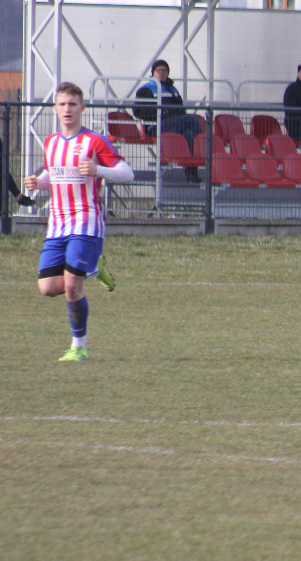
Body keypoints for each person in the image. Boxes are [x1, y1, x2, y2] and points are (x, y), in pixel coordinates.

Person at [22, 82, 133, 362]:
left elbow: (127, 173)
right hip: (57, 224)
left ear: (81, 108)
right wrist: (39, 182)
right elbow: (54, 176)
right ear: (55, 108)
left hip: (86, 221)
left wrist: (100, 170)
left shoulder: (94, 141)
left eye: (73, 104)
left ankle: (78, 346)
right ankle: (93, 268)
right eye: (62, 104)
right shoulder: (51, 143)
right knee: (47, 288)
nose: (67, 109)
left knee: (72, 285)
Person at [132, 59, 205, 153]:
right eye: (159, 70)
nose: (162, 72)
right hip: (156, 126)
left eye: (164, 70)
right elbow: (138, 111)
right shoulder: (146, 89)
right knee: (192, 119)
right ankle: (203, 151)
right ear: (153, 73)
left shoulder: (172, 89)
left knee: (189, 133)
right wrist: (160, 112)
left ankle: (191, 165)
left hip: (173, 124)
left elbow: (181, 110)